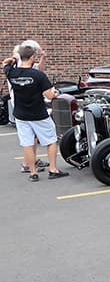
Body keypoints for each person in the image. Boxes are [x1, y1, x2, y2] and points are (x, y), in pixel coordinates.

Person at [2, 44, 68, 181]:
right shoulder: (39, 75)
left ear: (20, 57)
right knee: (51, 140)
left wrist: (14, 59)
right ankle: (53, 170)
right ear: (32, 57)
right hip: (39, 114)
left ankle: (33, 173)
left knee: (27, 143)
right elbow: (49, 96)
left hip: (20, 115)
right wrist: (55, 92)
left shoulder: (11, 73)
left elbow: (5, 64)